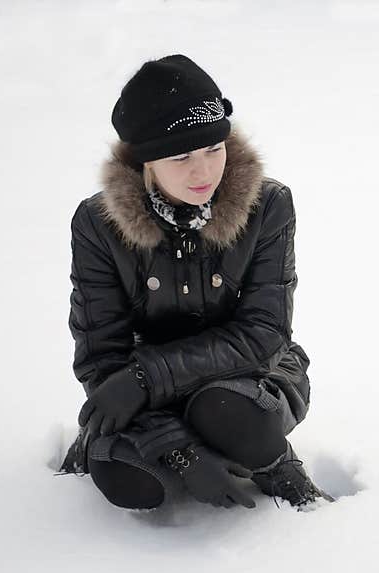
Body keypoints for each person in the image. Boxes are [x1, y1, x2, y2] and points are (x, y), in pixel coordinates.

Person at [56, 54, 333, 512]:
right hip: (136, 391)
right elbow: (101, 355)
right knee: (129, 483)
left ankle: (273, 463)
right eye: (181, 156)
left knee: (231, 414)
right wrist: (177, 450)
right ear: (146, 160)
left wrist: (149, 377)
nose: (203, 171)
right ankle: (177, 447)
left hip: (245, 377)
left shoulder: (268, 205)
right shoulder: (97, 223)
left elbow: (264, 333)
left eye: (213, 149)